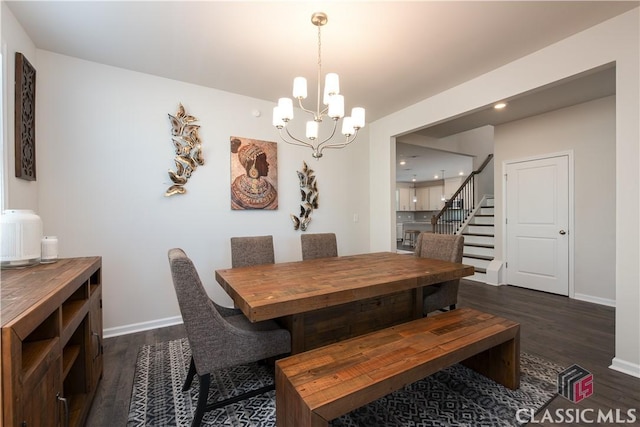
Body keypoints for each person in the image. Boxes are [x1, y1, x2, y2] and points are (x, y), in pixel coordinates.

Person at [230, 139, 278, 210]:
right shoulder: (235, 189)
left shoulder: (269, 188)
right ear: (253, 164)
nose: (267, 164)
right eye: (263, 160)